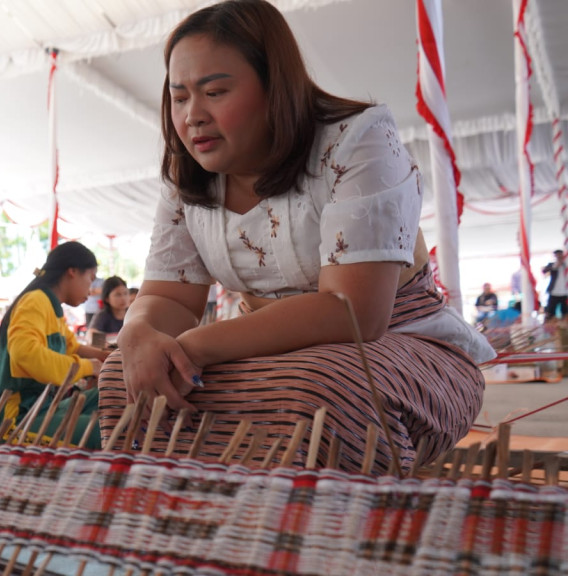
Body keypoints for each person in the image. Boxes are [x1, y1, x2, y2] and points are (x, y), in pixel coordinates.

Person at [98, 0, 495, 475]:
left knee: (321, 389)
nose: (193, 116)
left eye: (216, 92)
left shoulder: (358, 141)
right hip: (263, 354)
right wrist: (139, 333)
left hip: (396, 343)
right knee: (123, 379)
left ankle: (322, 532)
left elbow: (353, 312)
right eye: (179, 97)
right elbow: (170, 297)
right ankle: (184, 528)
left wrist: (193, 348)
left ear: (275, 88)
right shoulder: (188, 175)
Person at [0, 241, 111, 448]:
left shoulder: (52, 307)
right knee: (109, 433)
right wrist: (89, 366)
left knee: (108, 393)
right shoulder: (35, 301)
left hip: (43, 408)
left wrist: (109, 358)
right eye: (90, 279)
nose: (91, 289)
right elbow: (26, 355)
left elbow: (72, 346)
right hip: (15, 418)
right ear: (72, 272)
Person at [86, 276, 129, 345]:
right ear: (107, 298)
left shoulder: (132, 313)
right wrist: (106, 346)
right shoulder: (103, 314)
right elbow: (91, 334)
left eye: (125, 293)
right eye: (118, 295)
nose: (123, 298)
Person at [542, 249, 567, 321]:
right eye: (557, 255)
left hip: (565, 293)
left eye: (560, 254)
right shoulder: (552, 264)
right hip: (554, 292)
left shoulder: (565, 265)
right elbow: (544, 271)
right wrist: (556, 265)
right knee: (550, 312)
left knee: (565, 312)